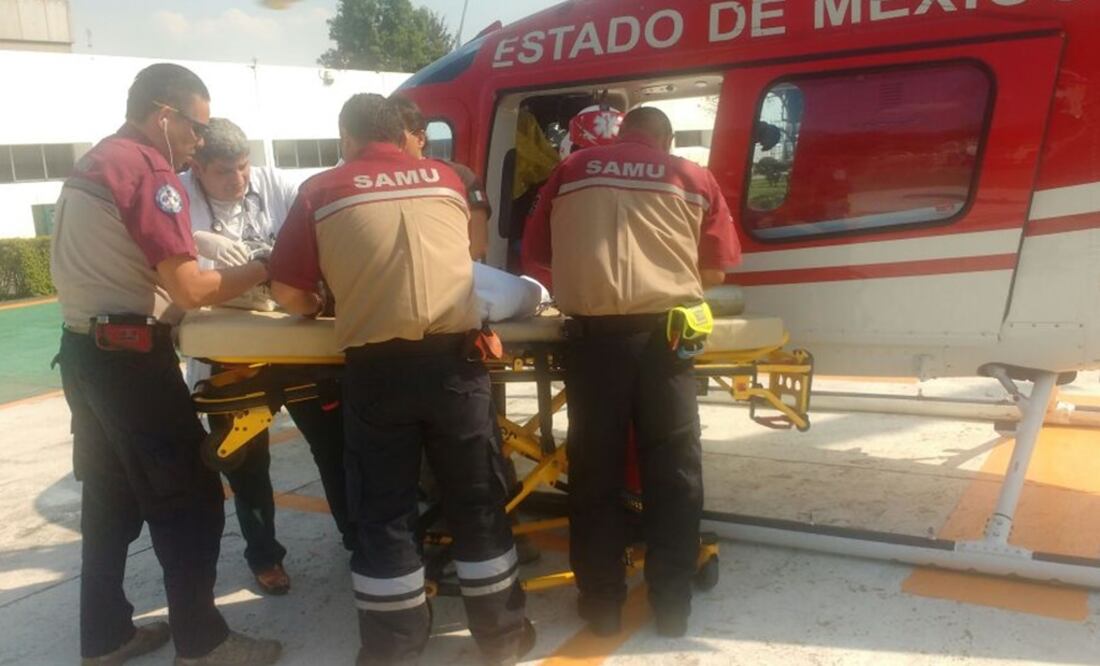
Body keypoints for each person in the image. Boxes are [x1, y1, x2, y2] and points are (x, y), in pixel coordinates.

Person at [268, 94, 534, 665]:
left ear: (347, 138)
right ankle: (504, 637)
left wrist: (322, 302)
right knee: (477, 499)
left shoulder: (320, 190)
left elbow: (287, 291)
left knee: (384, 511)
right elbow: (467, 253)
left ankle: (393, 648)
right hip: (457, 366)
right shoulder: (448, 179)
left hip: (378, 373)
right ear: (404, 133)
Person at [49, 63, 281, 666]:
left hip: (83, 353)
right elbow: (191, 288)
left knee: (110, 502)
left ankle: (106, 637)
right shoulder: (150, 172)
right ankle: (204, 644)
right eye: (197, 128)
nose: (200, 143)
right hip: (130, 362)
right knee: (190, 497)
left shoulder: (96, 161)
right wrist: (266, 267)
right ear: (164, 116)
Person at [521, 107, 740, 639]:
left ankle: (602, 605)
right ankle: (672, 607)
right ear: (666, 139)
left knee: (594, 472)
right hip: (668, 342)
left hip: (594, 343)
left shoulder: (572, 170)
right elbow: (714, 270)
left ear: (622, 133)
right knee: (675, 471)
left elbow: (538, 253)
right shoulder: (692, 177)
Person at [181, 118, 355, 595]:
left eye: (242, 167)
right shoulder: (178, 198)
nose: (237, 179)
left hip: (294, 342)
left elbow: (317, 238)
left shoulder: (277, 185)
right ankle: (264, 556)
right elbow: (167, 258)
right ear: (196, 167)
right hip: (230, 353)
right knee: (247, 461)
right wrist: (202, 241)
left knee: (332, 444)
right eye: (223, 172)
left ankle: (358, 538)